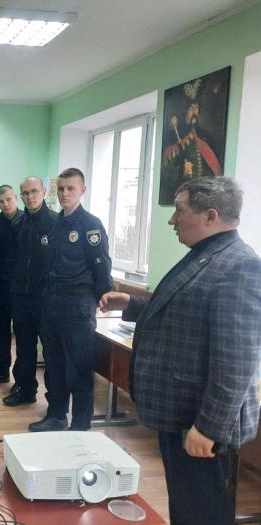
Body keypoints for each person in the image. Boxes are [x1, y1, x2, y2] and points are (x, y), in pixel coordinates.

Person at [100, 177, 261, 525]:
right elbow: (182, 312)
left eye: (179, 210)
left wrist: (210, 427)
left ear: (210, 216)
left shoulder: (239, 266)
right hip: (180, 413)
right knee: (185, 505)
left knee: (201, 511)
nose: (172, 220)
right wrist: (131, 303)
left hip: (200, 423)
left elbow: (236, 361)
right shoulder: (205, 255)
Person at [29, 167, 112, 432]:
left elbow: (101, 268)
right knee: (54, 365)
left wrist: (97, 301)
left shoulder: (90, 225)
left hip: (77, 305)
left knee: (78, 367)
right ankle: (56, 415)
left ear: (82, 190)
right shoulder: (55, 223)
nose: (65, 193)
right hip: (52, 302)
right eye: (61, 189)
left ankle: (80, 425)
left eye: (71, 189)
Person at [3, 177, 57, 407]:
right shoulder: (18, 223)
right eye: (25, 193)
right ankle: (25, 390)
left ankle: (54, 402)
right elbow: (11, 259)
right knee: (24, 347)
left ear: (43, 192)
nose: (30, 197)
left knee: (51, 350)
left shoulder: (56, 222)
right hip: (20, 297)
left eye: (34, 191)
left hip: (45, 299)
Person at [0, 185, 23, 384]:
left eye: (8, 199)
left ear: (15, 197)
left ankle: (21, 379)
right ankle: (1, 370)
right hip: (0, 286)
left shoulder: (27, 220)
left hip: (23, 288)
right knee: (0, 331)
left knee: (22, 334)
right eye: (1, 201)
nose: (5, 204)